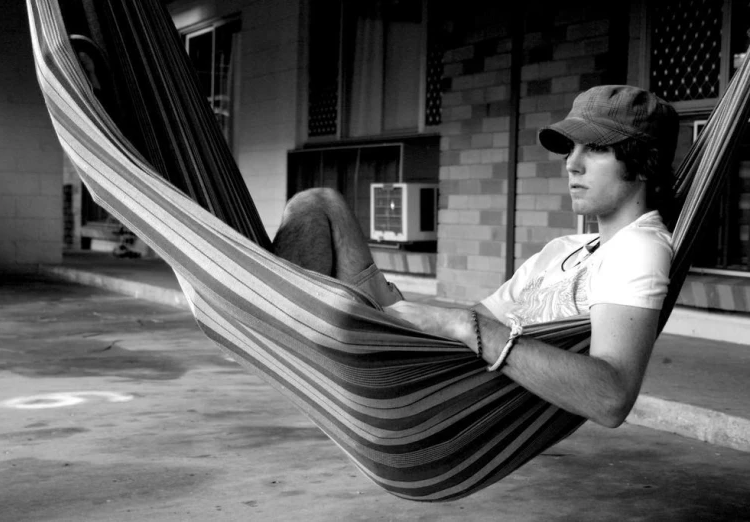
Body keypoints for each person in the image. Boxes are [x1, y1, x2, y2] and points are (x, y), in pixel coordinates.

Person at [272, 85, 679, 429]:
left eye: (595, 149)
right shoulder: (563, 249)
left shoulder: (639, 249)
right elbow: (480, 317)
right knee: (318, 204)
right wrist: (430, 321)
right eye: (571, 148)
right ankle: (268, 322)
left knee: (317, 212)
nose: (571, 164)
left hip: (442, 396)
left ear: (643, 163)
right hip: (431, 360)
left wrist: (460, 325)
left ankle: (271, 329)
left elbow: (611, 398)